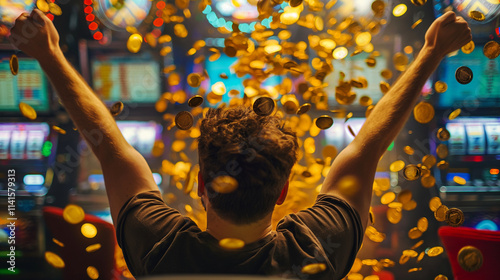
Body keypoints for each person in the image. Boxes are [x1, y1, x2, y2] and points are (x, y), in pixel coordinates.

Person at [9, 9, 471, 279]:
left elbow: (108, 146)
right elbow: (366, 147)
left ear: (200, 186)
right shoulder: (316, 251)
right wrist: (432, 53)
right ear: (286, 192)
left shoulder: (160, 249)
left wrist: (49, 54)